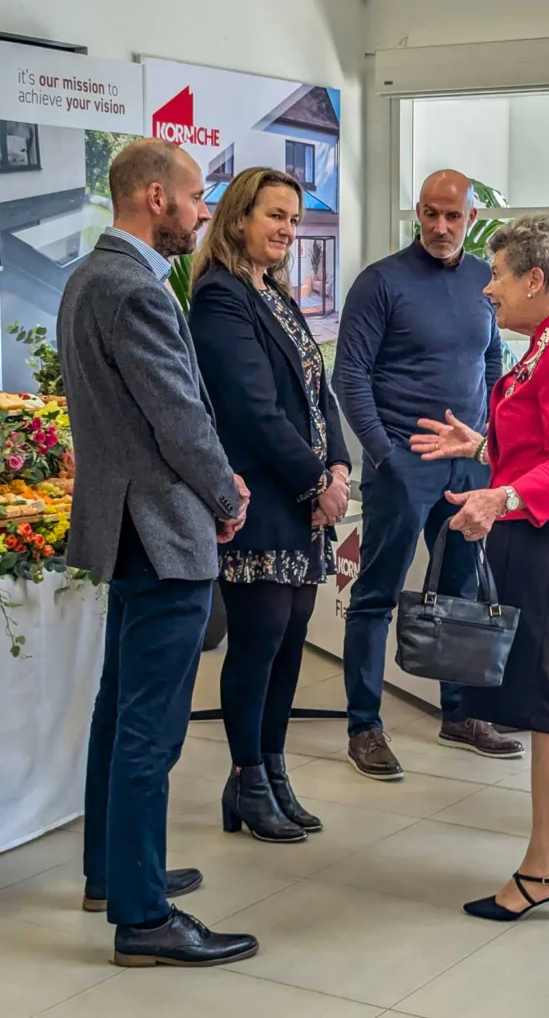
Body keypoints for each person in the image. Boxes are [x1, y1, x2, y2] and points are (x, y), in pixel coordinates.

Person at [57, 138, 258, 967]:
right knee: (151, 729)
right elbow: (177, 414)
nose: (203, 208)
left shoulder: (86, 276)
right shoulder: (132, 287)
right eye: (195, 194)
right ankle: (141, 919)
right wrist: (226, 492)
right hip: (162, 530)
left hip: (122, 525)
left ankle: (114, 871)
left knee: (118, 711)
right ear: (153, 197)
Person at [412, 214, 549, 921]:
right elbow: (548, 439)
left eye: (497, 274)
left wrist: (498, 497)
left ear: (536, 279)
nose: (487, 287)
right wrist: (481, 443)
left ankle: (540, 869)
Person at [333, 169, 524, 781]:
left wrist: (489, 438)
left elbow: (491, 358)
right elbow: (350, 376)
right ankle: (365, 725)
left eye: (454, 216)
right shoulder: (381, 281)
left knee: (460, 594)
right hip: (402, 465)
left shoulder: (482, 280)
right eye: (431, 214)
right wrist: (385, 454)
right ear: (418, 212)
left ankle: (459, 713)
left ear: (472, 217)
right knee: (375, 596)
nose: (442, 227)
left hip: (467, 462)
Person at [188, 167, 351, 842]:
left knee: (289, 645)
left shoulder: (276, 294)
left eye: (292, 218)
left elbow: (320, 393)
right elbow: (253, 412)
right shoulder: (221, 297)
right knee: (257, 645)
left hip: (306, 499)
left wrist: (338, 464)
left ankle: (275, 771)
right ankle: (245, 777)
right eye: (273, 216)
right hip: (267, 498)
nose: (286, 229)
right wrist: (318, 484)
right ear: (238, 219)